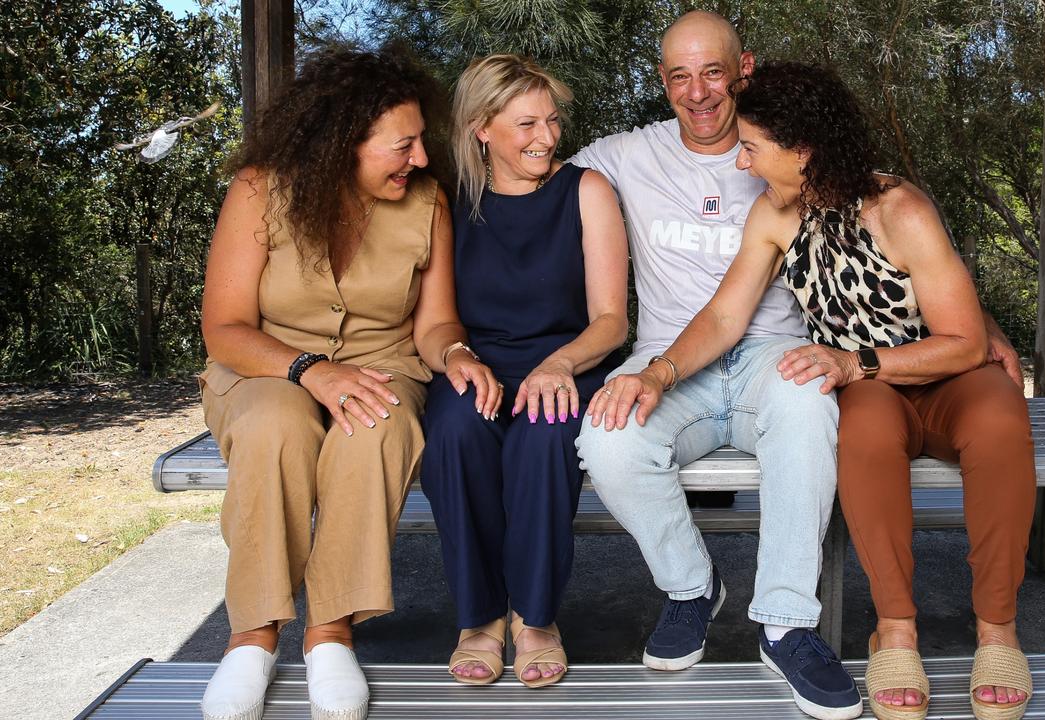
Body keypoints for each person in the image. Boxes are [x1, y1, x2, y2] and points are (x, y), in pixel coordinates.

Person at [609, 61, 1035, 720]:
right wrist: (659, 372)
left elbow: (965, 342)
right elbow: (725, 316)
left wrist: (853, 361)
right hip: (868, 388)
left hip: (939, 374)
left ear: (803, 150)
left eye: (752, 147)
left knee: (1004, 420)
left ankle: (997, 631)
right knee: (861, 433)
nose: (743, 162)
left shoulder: (901, 208)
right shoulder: (777, 215)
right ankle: (895, 630)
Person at [570, 11, 863, 720]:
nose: (697, 92)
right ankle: (692, 589)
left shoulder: (791, 154)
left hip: (771, 355)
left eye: (712, 72)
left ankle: (788, 623)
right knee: (607, 437)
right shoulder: (625, 154)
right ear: (662, 83)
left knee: (808, 397)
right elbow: (525, 168)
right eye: (679, 76)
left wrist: (978, 326)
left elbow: (890, 228)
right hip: (669, 357)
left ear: (744, 70)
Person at [198, 45, 459, 720]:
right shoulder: (260, 191)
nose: (421, 159)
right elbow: (225, 327)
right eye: (403, 145)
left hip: (383, 365)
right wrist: (310, 371)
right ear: (347, 142)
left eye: (421, 142)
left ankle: (330, 634)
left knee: (374, 423)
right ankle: (253, 636)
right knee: (272, 425)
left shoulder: (427, 204)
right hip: (266, 365)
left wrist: (455, 354)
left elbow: (435, 325)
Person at [419, 54, 628, 689]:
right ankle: (479, 618)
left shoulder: (586, 190)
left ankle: (534, 619)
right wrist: (458, 358)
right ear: (482, 127)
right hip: (476, 360)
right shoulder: (448, 201)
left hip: (568, 360)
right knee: (455, 432)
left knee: (543, 435)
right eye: (526, 124)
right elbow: (434, 325)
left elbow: (611, 320)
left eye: (552, 121)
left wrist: (559, 364)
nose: (546, 138)